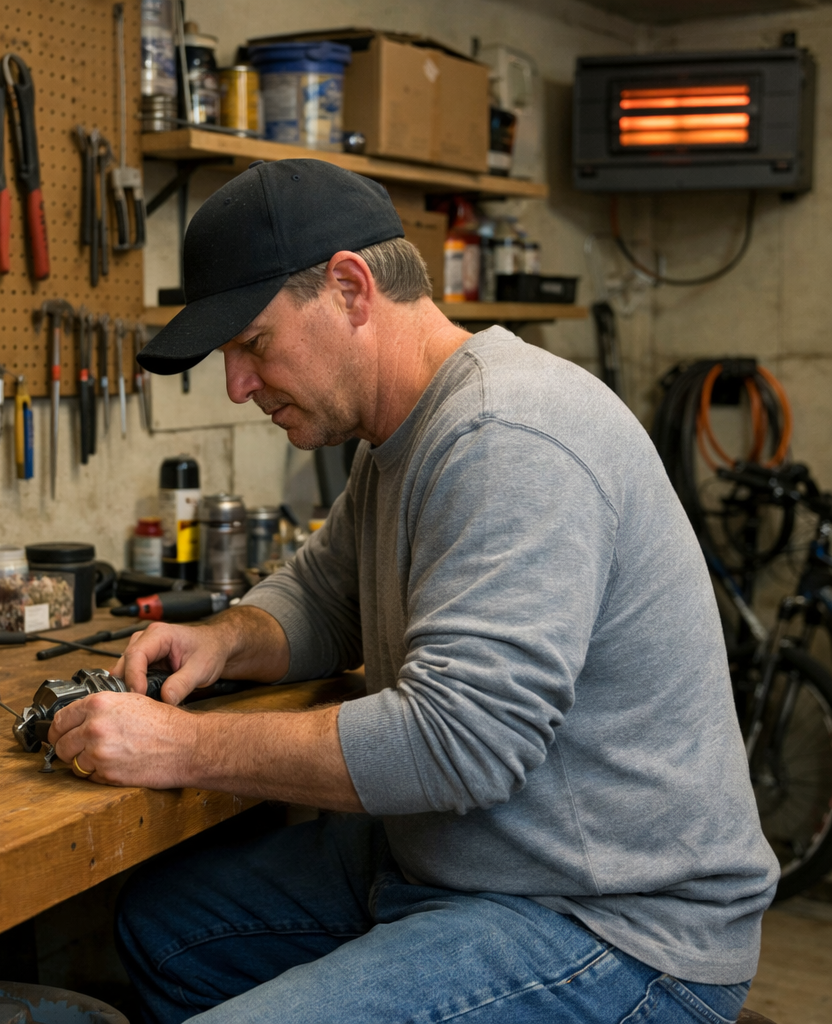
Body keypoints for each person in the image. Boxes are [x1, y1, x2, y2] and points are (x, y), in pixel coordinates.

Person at [48, 159, 778, 1024]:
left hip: (610, 923)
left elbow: (460, 741)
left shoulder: (507, 435)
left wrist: (184, 748)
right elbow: (326, 597)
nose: (237, 385)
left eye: (252, 343)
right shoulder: (400, 436)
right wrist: (228, 641)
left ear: (351, 288)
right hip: (468, 860)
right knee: (167, 929)